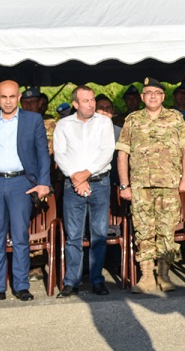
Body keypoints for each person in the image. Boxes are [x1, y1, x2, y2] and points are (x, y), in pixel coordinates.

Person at [0, 80, 51, 304]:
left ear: (18, 98)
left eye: (12, 97)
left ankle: (21, 286)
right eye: (3, 97)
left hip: (21, 184)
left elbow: (42, 153)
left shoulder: (32, 119)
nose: (8, 101)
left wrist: (43, 182)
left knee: (20, 237)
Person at [116, 78, 185, 294]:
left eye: (156, 93)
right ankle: (147, 276)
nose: (152, 96)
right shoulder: (132, 120)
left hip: (169, 185)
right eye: (148, 92)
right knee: (143, 231)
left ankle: (164, 274)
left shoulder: (175, 118)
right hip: (141, 186)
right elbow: (123, 153)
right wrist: (124, 185)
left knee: (166, 231)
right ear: (142, 97)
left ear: (162, 97)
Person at [53, 85, 116, 297]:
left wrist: (86, 173)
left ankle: (97, 280)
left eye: (92, 100)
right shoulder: (63, 125)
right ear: (75, 104)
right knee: (74, 236)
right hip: (73, 186)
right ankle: (72, 281)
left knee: (98, 234)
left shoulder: (104, 122)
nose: (91, 104)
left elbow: (107, 152)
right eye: (86, 101)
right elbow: (60, 154)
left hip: (99, 183)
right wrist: (76, 177)